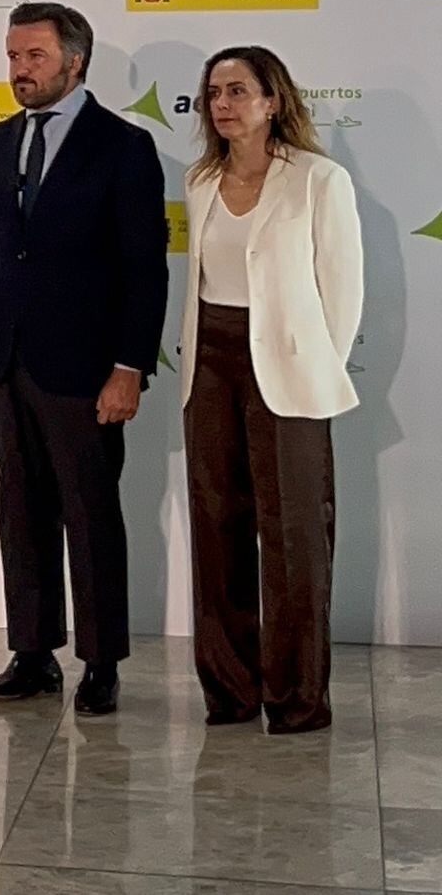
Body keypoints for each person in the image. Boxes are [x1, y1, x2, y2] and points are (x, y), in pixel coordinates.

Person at [0, 1, 167, 717]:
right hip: (7, 359)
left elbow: (146, 269)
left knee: (91, 513)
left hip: (86, 367)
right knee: (20, 508)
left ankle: (101, 660)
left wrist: (130, 366)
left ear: (76, 61)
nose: (19, 69)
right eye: (13, 56)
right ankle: (32, 652)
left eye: (34, 56)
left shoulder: (123, 146)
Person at [182, 46, 362, 733]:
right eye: (214, 93)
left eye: (238, 90)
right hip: (210, 364)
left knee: (295, 538)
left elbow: (342, 294)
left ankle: (296, 698)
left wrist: (314, 368)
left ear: (273, 100)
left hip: (290, 372)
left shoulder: (319, 180)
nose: (223, 104)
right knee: (216, 525)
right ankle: (228, 690)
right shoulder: (200, 180)